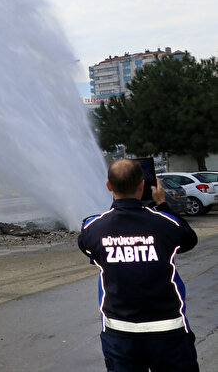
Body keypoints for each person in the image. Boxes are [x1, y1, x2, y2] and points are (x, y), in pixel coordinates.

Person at [78, 158, 199, 372]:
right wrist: (162, 204)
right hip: (169, 332)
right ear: (143, 185)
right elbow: (189, 239)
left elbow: (92, 249)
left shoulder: (93, 229)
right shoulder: (166, 223)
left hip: (120, 334)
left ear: (109, 186)